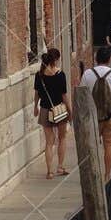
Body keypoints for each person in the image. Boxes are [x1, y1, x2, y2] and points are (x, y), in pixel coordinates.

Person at [81, 46, 111, 178]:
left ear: (96, 59)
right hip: (110, 116)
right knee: (109, 145)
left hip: (92, 116)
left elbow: (82, 95)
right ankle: (107, 175)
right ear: (109, 59)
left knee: (92, 146)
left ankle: (93, 174)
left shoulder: (87, 74)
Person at [33, 48, 72, 178]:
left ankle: (49, 171)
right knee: (62, 138)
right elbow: (64, 95)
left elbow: (37, 94)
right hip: (59, 109)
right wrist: (70, 110)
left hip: (44, 109)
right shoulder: (60, 75)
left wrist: (35, 107)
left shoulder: (39, 75)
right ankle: (60, 167)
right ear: (56, 60)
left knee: (49, 142)